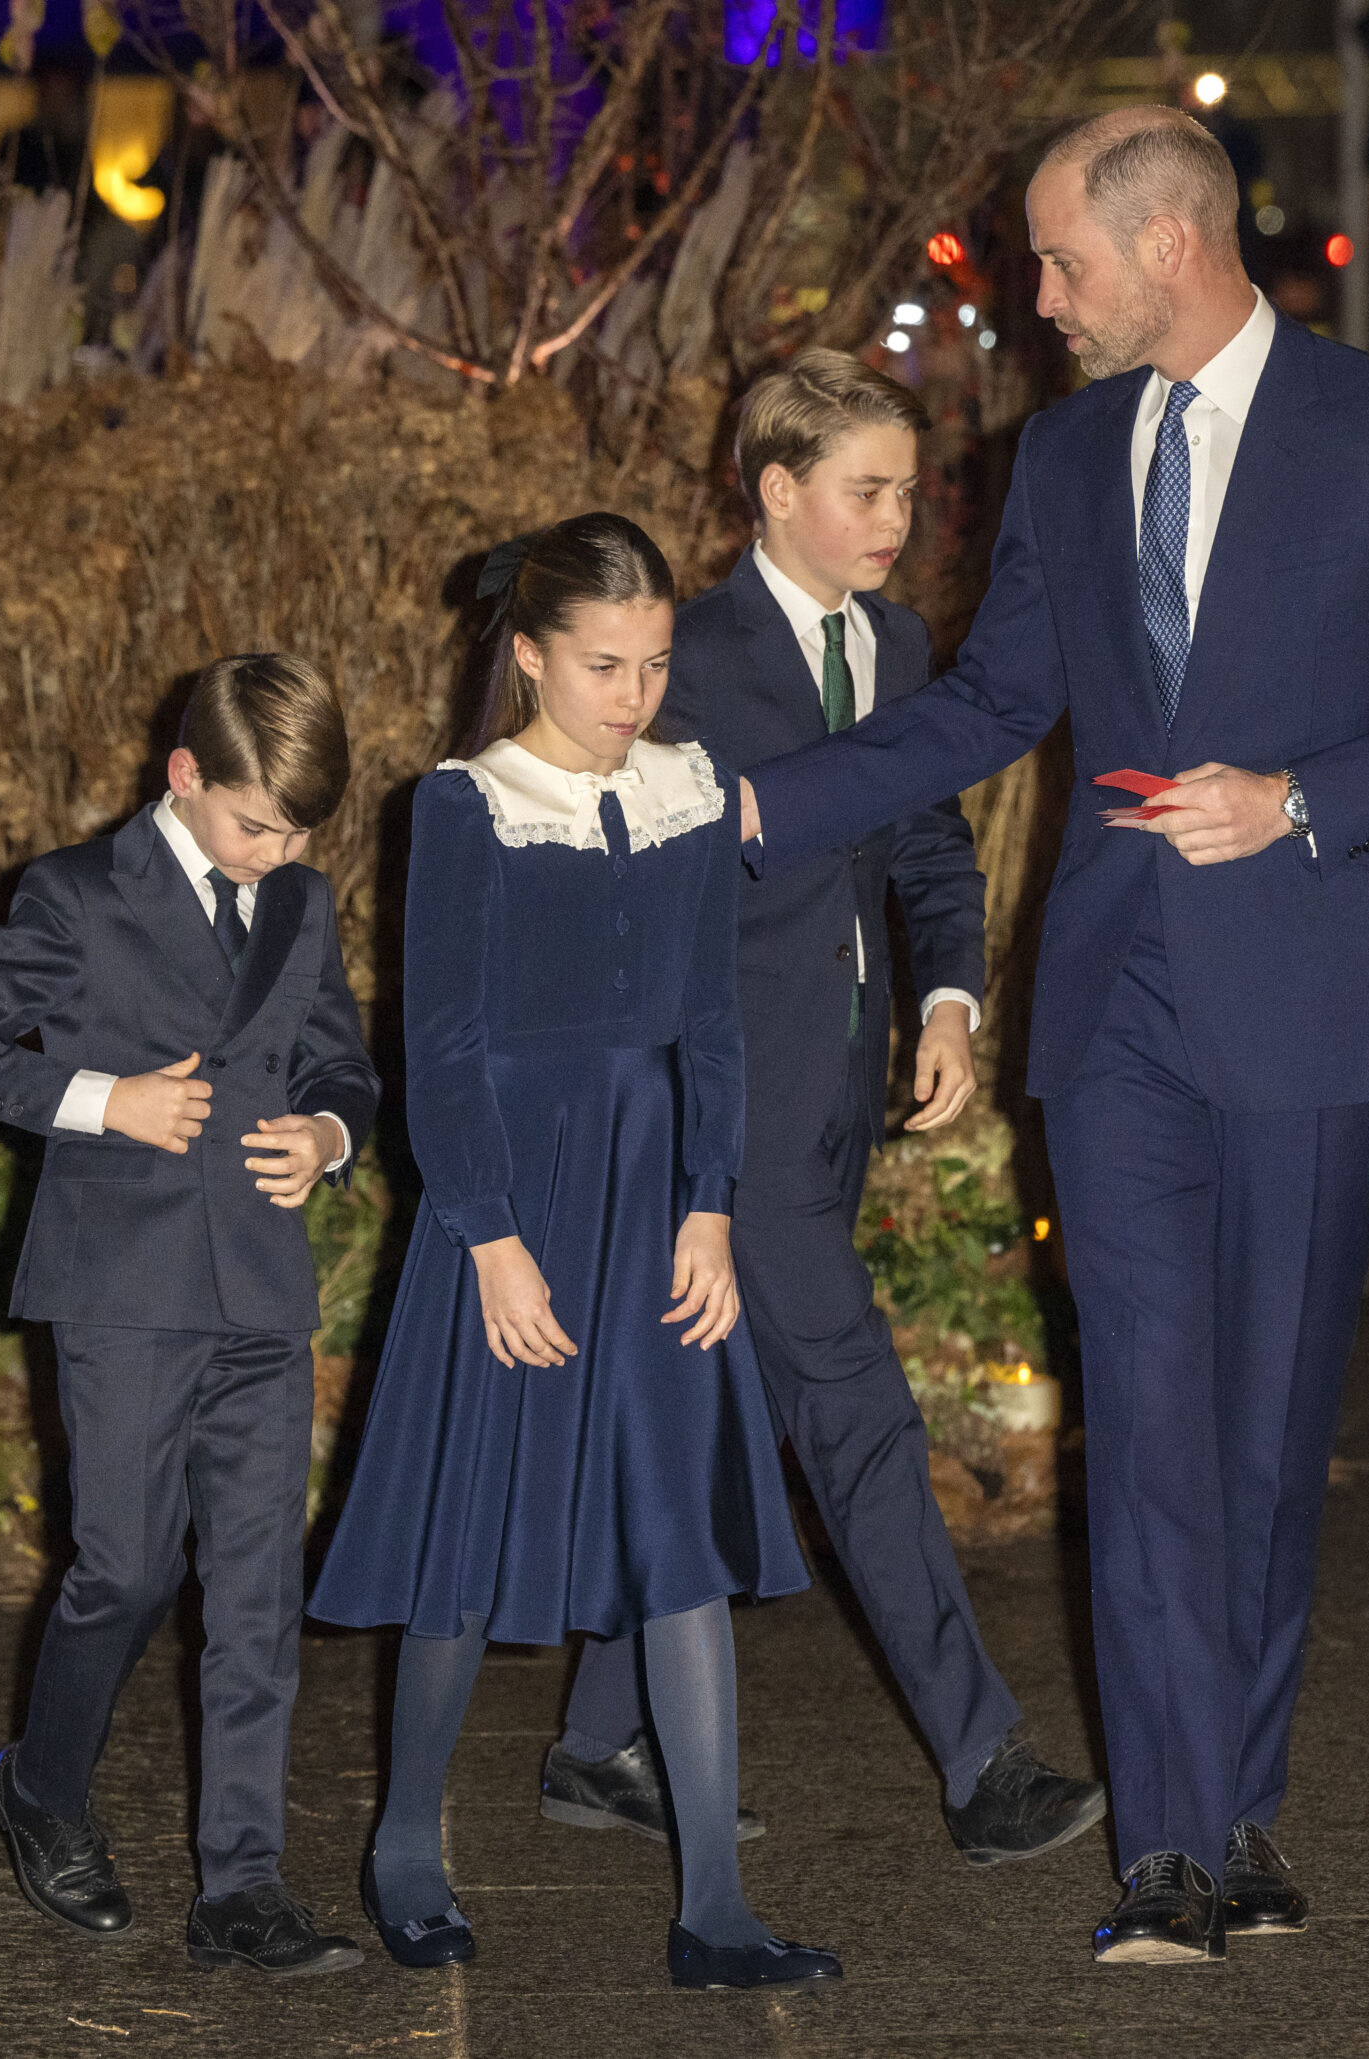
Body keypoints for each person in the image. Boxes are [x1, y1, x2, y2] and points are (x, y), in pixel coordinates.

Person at [736, 107, 1369, 1963]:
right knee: (1150, 1420)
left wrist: (1303, 797)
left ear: (1170, 243)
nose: (1040, 299)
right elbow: (993, 703)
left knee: (1266, 1429)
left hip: (1310, 996)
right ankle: (1169, 1846)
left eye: (1062, 262)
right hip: (1115, 1007)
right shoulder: (1067, 450)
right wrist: (763, 803)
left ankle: (1243, 1801)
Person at [534, 350, 1106, 1871]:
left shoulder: (900, 642)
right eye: (868, 491)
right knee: (855, 1412)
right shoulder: (684, 655)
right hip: (723, 1119)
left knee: (707, 1412)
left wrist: (948, 998)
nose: (898, 520)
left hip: (839, 1095)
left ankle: (594, 1742)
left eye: (909, 492)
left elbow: (925, 840)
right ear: (777, 490)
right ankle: (982, 1758)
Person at [310, 514, 838, 1993]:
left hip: (659, 1196)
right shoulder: (467, 804)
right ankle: (404, 1844)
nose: (635, 693)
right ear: (532, 655)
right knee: (473, 1522)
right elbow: (441, 1044)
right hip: (516, 1203)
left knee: (678, 1534)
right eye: (606, 664)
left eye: (655, 662)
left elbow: (712, 1018)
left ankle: (715, 1905)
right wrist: (487, 1236)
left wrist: (710, 1199)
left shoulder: (690, 788)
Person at [0, 654, 380, 1977]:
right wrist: (101, 1100)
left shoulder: (300, 899)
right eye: (256, 825)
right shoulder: (73, 892)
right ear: (185, 775)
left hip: (259, 1292)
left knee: (258, 1593)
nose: (279, 854)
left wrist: (330, 1131)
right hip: (120, 1284)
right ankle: (40, 1787)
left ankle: (243, 1881)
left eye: (299, 833)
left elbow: (341, 1058)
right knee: (126, 1570)